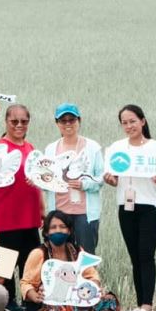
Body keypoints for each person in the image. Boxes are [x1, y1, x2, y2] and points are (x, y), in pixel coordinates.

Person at [102, 104, 156, 311]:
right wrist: (110, 180)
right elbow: (113, 177)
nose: (129, 126)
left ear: (143, 121)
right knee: (134, 256)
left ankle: (147, 307)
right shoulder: (116, 148)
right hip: (125, 206)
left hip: (151, 207)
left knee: (146, 254)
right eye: (124, 123)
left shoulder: (155, 148)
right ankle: (140, 305)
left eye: (132, 121)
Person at [20, 210, 121, 311]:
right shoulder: (39, 254)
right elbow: (25, 283)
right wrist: (34, 295)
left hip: (77, 299)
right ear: (46, 232)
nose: (58, 230)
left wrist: (94, 288)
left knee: (109, 300)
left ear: (69, 231)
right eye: (53, 227)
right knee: (66, 309)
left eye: (62, 227)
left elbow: (92, 275)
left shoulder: (77, 251)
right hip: (47, 306)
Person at [0, 103, 41, 309]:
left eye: (24, 121)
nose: (19, 125)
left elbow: (38, 180)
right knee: (6, 262)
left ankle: (29, 298)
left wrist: (42, 210)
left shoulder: (31, 148)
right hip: (5, 215)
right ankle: (8, 301)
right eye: (14, 121)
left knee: (30, 260)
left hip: (30, 214)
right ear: (6, 122)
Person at [42, 104, 104, 253]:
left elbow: (101, 178)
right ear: (57, 123)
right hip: (59, 213)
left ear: (79, 121)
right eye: (63, 120)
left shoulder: (92, 147)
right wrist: (38, 181)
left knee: (86, 255)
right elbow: (45, 179)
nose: (68, 124)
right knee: (60, 256)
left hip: (85, 214)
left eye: (72, 119)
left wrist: (84, 184)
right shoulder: (50, 149)